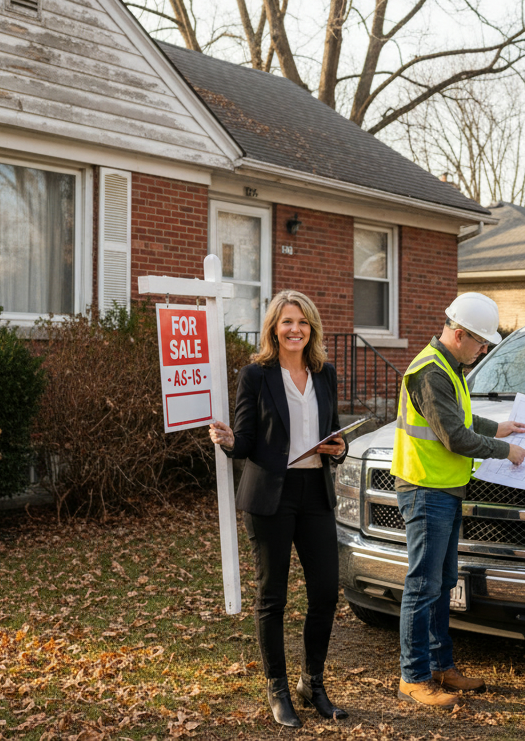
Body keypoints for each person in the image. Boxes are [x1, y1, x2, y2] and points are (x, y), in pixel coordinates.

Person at [207, 290, 349, 728]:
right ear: (274, 327)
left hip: (315, 493)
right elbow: (247, 440)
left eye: (303, 322)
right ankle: (278, 688)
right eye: (287, 321)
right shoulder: (256, 375)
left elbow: (333, 435)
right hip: (271, 495)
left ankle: (313, 684)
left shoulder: (324, 375)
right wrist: (230, 441)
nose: (295, 329)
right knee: (273, 598)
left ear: (312, 329)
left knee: (325, 591)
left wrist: (339, 449)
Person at [391, 292, 525, 709]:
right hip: (425, 491)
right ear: (459, 334)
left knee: (440, 584)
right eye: (480, 342)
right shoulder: (430, 373)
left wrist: (499, 426)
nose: (484, 349)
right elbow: (454, 436)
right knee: (423, 586)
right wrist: (501, 448)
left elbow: (460, 417)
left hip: (443, 491)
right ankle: (414, 677)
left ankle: (439, 666)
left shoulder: (447, 368)